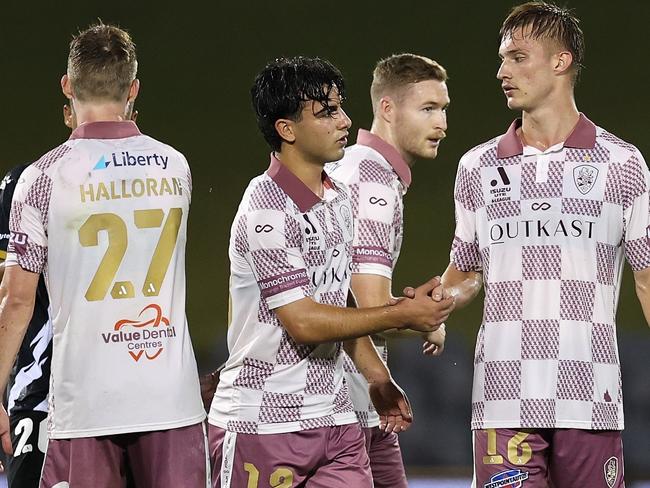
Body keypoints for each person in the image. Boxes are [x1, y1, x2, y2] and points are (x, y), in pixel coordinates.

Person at [208, 56, 454, 488]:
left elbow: (342, 301)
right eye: (327, 113)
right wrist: (402, 316)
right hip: (264, 423)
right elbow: (302, 321)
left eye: (340, 107)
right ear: (287, 130)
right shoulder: (265, 207)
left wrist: (378, 377)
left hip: (336, 417)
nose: (344, 121)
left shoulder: (338, 197)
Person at [439, 2, 650, 487]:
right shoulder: (477, 167)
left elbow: (644, 278)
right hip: (502, 397)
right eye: (501, 59)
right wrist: (430, 309)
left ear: (561, 61)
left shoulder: (621, 163)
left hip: (590, 397)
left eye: (517, 58)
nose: (501, 72)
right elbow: (466, 272)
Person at [0, 23, 208, 487]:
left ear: (67, 86)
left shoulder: (41, 179)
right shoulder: (175, 165)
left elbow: (17, 300)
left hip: (86, 403)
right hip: (170, 399)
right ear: (134, 89)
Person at [327, 53, 450, 488]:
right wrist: (424, 321)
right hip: (344, 405)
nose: (442, 124)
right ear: (387, 109)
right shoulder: (374, 182)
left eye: (444, 108)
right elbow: (370, 305)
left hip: (357, 397)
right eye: (428, 109)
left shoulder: (353, 167)